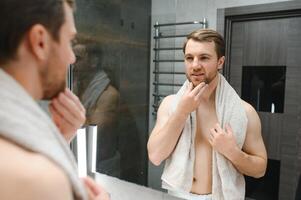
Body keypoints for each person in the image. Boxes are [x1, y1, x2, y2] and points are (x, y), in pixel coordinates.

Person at [0, 0, 109, 199]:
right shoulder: (38, 180)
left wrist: (60, 137)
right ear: (40, 41)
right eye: (70, 41)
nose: (72, 58)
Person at [147, 29, 267, 200]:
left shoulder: (244, 112)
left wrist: (232, 152)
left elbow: (260, 169)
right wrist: (182, 112)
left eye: (204, 57)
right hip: (177, 195)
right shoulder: (170, 105)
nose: (195, 65)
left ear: (220, 62)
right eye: (189, 58)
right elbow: (155, 156)